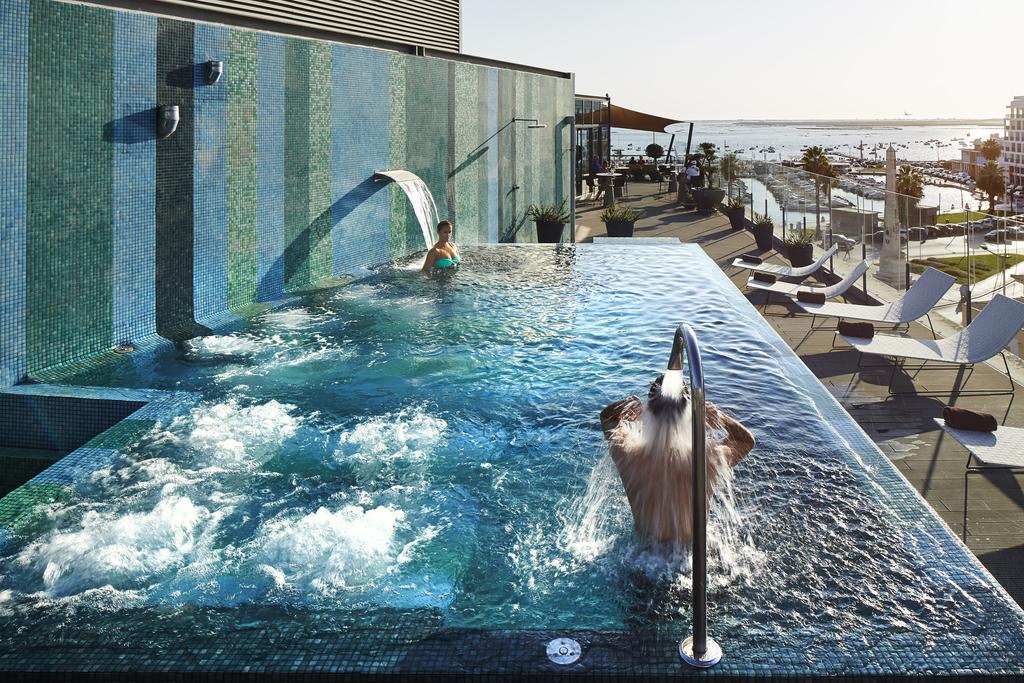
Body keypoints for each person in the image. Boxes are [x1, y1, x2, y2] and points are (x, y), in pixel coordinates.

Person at [599, 374, 754, 544]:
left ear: (648, 409)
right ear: (688, 413)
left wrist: (626, 404)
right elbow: (745, 441)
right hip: (691, 557)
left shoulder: (628, 454)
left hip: (645, 556)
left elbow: (607, 418)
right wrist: (720, 417)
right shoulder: (708, 459)